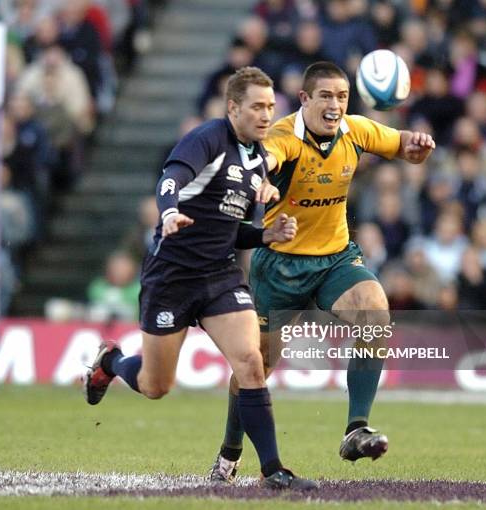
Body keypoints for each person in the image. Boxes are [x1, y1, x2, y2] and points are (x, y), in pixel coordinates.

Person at [83, 67, 317, 491]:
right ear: (233, 108)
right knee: (156, 386)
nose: (267, 115)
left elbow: (229, 228)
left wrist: (266, 233)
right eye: (257, 107)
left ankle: (273, 469)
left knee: (250, 361)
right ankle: (110, 363)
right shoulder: (208, 138)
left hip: (220, 275)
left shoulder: (259, 158)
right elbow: (171, 178)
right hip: (172, 276)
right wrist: (169, 212)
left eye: (270, 107)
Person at [208, 61, 436, 482]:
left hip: (334, 258)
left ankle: (355, 429)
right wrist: (263, 179)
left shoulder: (356, 129)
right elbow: (267, 159)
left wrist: (416, 146)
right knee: (255, 367)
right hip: (280, 265)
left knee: (375, 314)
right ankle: (229, 452)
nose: (335, 106)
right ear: (305, 99)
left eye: (343, 97)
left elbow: (401, 144)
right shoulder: (283, 137)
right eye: (326, 96)